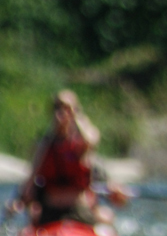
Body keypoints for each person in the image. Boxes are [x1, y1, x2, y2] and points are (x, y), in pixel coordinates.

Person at [8, 91, 125, 227]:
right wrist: (17, 203)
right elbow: (29, 183)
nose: (62, 113)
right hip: (50, 211)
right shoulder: (44, 146)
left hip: (79, 210)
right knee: (34, 213)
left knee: (106, 216)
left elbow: (92, 139)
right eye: (57, 108)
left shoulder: (82, 145)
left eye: (66, 108)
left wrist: (76, 115)